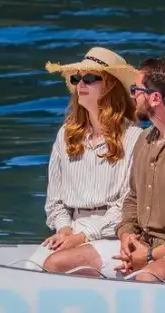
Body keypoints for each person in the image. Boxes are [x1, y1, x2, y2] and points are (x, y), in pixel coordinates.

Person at [44, 56, 165, 284]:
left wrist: (152, 255)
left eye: (136, 90)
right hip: (145, 246)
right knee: (56, 263)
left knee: (147, 278)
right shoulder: (145, 139)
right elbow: (132, 200)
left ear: (155, 98)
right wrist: (126, 236)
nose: (131, 95)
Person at [33, 47, 144, 276]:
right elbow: (55, 201)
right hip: (72, 229)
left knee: (55, 266)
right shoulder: (66, 135)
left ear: (111, 86)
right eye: (77, 79)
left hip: (113, 234)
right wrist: (64, 229)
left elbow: (127, 205)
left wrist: (82, 236)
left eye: (90, 78)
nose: (80, 84)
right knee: (31, 268)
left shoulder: (134, 137)